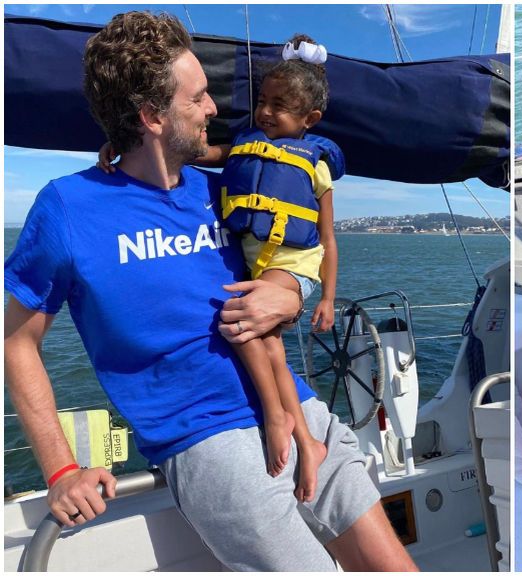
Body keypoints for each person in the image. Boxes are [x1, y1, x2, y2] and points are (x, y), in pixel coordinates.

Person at [4, 11, 416, 571]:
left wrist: (294, 294)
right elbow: (16, 341)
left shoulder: (226, 185)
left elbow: (296, 249)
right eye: (198, 98)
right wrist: (60, 469)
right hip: (210, 443)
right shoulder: (68, 209)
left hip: (301, 410)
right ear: (152, 116)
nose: (214, 110)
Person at [99, 33, 340, 503]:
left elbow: (328, 239)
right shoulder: (244, 147)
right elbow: (191, 152)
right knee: (267, 343)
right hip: (260, 262)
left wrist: (327, 296)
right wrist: (122, 146)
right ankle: (308, 442)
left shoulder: (317, 167)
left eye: (281, 106)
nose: (267, 113)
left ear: (310, 119)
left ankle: (276, 417)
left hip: (293, 262)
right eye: (263, 102)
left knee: (242, 323)